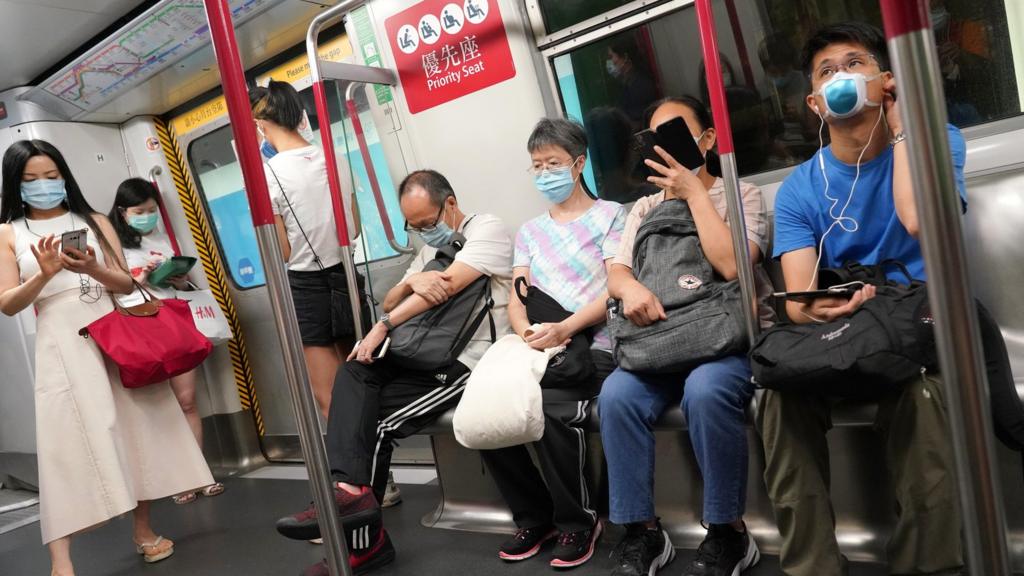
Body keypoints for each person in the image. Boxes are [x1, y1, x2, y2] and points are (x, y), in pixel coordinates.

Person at [758, 22, 967, 576]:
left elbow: (921, 219)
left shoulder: (938, 140)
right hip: (850, 326)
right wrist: (822, 306)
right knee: (778, 399)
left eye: (855, 65)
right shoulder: (802, 187)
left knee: (922, 397)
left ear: (885, 81)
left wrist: (901, 130)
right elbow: (799, 300)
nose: (842, 78)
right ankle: (813, 567)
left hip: (917, 325)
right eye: (828, 72)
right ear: (813, 102)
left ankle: (927, 566)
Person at [276, 169, 513, 575]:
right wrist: (411, 284)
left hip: (465, 363)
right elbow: (390, 298)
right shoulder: (425, 255)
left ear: (450, 205)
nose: (424, 233)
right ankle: (347, 491)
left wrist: (382, 327)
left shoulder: (487, 230)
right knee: (353, 372)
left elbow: (450, 285)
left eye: (428, 223)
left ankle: (366, 543)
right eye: (414, 226)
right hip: (421, 356)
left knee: (378, 423)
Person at [0, 140, 214, 575]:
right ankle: (61, 561)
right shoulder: (7, 233)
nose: (44, 185)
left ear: (64, 175)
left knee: (138, 433)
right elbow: (7, 303)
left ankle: (144, 531)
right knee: (64, 446)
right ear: (14, 186)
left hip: (113, 335)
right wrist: (44, 274)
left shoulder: (94, 220)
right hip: (61, 344)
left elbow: (121, 283)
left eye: (51, 175)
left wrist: (91, 268)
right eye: (31, 180)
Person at [599, 95, 773, 576]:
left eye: (674, 135)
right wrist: (630, 286)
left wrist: (695, 194)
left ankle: (728, 531)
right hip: (659, 338)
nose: (663, 148)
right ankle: (644, 531)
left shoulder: (743, 195)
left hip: (722, 339)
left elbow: (732, 265)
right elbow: (616, 272)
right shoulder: (644, 208)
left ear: (707, 140)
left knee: (707, 389)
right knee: (615, 395)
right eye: (655, 140)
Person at [479, 119, 624, 568]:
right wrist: (526, 332)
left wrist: (565, 330)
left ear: (578, 164)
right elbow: (519, 297)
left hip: (594, 343)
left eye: (553, 164)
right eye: (537, 166)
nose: (545, 174)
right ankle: (534, 516)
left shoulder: (612, 216)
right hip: (541, 344)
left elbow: (614, 288)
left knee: (551, 406)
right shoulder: (530, 231)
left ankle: (580, 521)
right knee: (490, 404)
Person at [250, 79, 364, 420]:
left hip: (307, 284)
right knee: (360, 382)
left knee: (329, 395)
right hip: (345, 275)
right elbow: (353, 227)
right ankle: (377, 467)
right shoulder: (336, 158)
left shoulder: (267, 175)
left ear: (260, 126)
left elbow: (283, 252)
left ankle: (351, 473)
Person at [108, 177, 225, 505]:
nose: (148, 215)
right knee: (162, 408)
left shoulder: (160, 239)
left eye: (152, 210)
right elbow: (115, 288)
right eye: (140, 211)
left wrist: (180, 279)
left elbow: (178, 288)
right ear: (123, 212)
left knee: (188, 401)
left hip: (173, 322)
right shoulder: (115, 244)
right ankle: (176, 481)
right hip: (141, 328)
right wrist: (141, 276)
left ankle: (199, 474)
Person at [607, 37, 660, 125]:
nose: (610, 61)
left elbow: (638, 120)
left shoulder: (641, 85)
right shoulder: (626, 84)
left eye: (611, 56)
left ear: (625, 57)